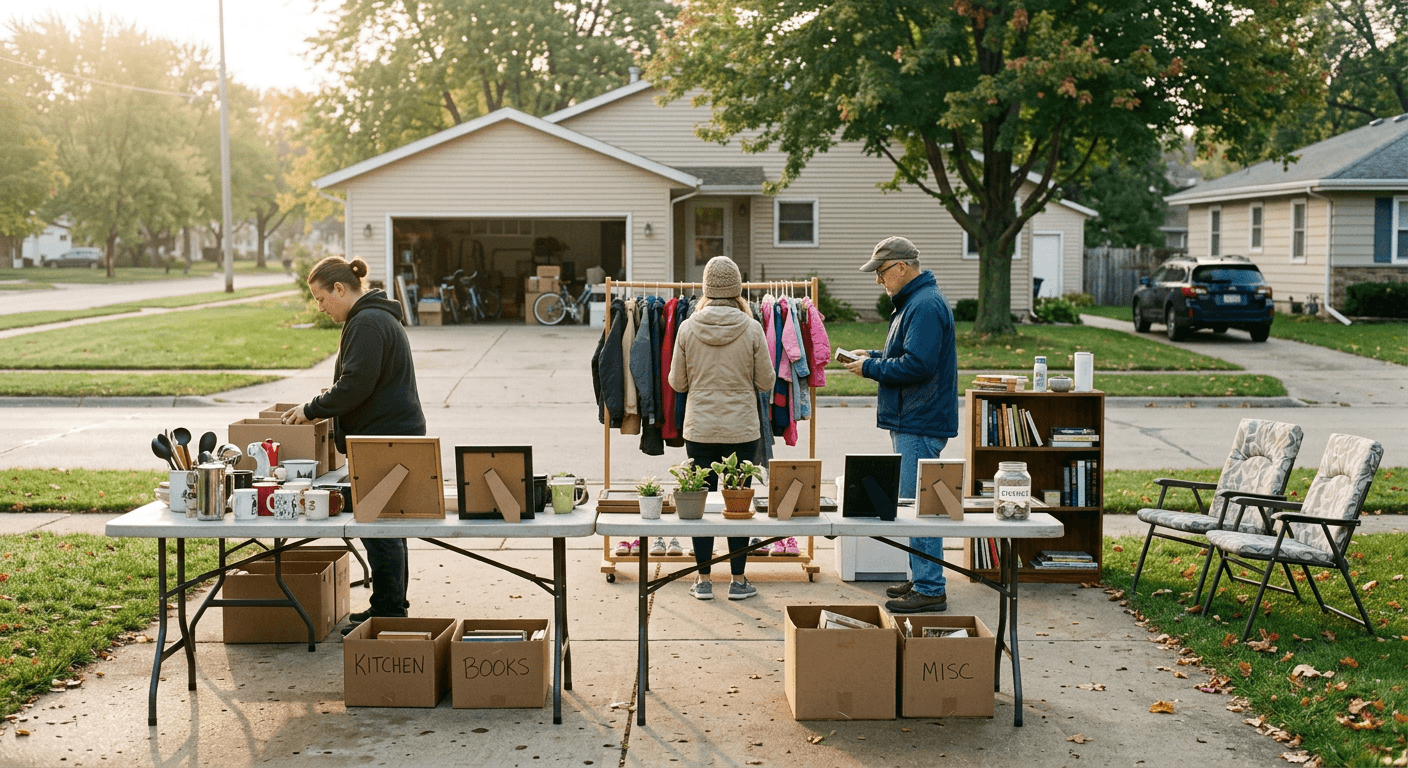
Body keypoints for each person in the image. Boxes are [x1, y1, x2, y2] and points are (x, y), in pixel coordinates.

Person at [282, 257, 426, 632]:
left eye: (321, 298)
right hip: (387, 435)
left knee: (379, 527)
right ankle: (388, 605)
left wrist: (312, 409)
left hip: (385, 439)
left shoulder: (366, 322)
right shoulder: (373, 317)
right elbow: (361, 381)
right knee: (383, 527)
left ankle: (390, 613)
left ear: (341, 289)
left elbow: (356, 385)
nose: (320, 307)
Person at [843, 236, 959, 613]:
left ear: (901, 268)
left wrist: (870, 369)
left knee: (919, 508)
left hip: (919, 419)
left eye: (881, 273)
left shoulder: (923, 305)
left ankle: (929, 588)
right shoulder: (916, 302)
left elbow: (917, 365)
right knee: (913, 503)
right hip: (916, 416)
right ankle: (922, 575)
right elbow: (908, 354)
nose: (879, 281)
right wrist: (872, 355)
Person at [668, 256, 775, 600]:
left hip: (699, 430)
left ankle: (702, 580)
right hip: (741, 431)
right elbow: (765, 380)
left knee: (700, 506)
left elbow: (677, 383)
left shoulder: (687, 327)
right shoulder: (752, 327)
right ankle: (739, 580)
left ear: (706, 289)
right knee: (738, 506)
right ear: (737, 290)